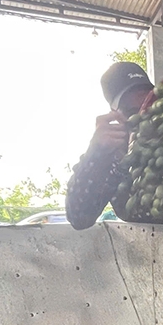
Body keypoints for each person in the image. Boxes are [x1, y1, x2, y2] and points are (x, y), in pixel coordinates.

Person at [65, 62, 154, 230]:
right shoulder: (115, 159)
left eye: (149, 105)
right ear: (115, 114)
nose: (144, 116)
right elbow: (79, 218)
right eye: (132, 112)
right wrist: (96, 154)